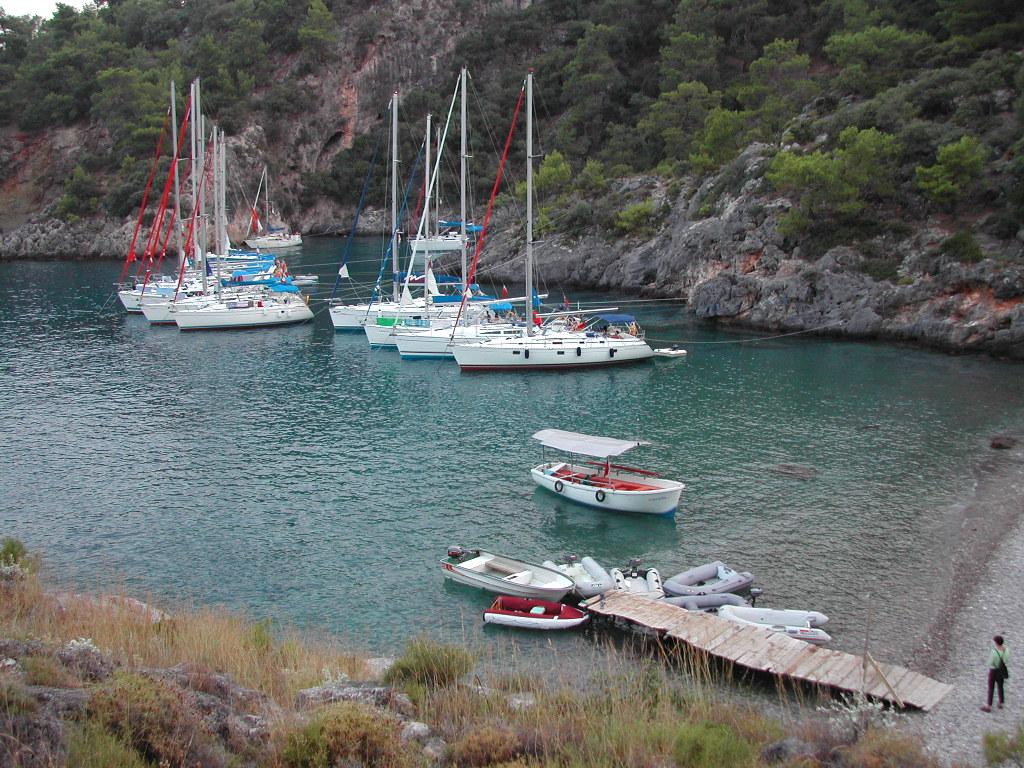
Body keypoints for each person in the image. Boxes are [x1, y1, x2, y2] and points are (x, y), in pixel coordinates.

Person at [982, 635, 1009, 712]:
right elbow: (1006, 660)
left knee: (991, 688)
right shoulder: (1006, 650)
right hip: (1001, 670)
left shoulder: (994, 651)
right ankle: (1001, 703)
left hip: (993, 671)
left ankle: (989, 706)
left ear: (996, 643)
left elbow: (990, 662)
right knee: (1000, 686)